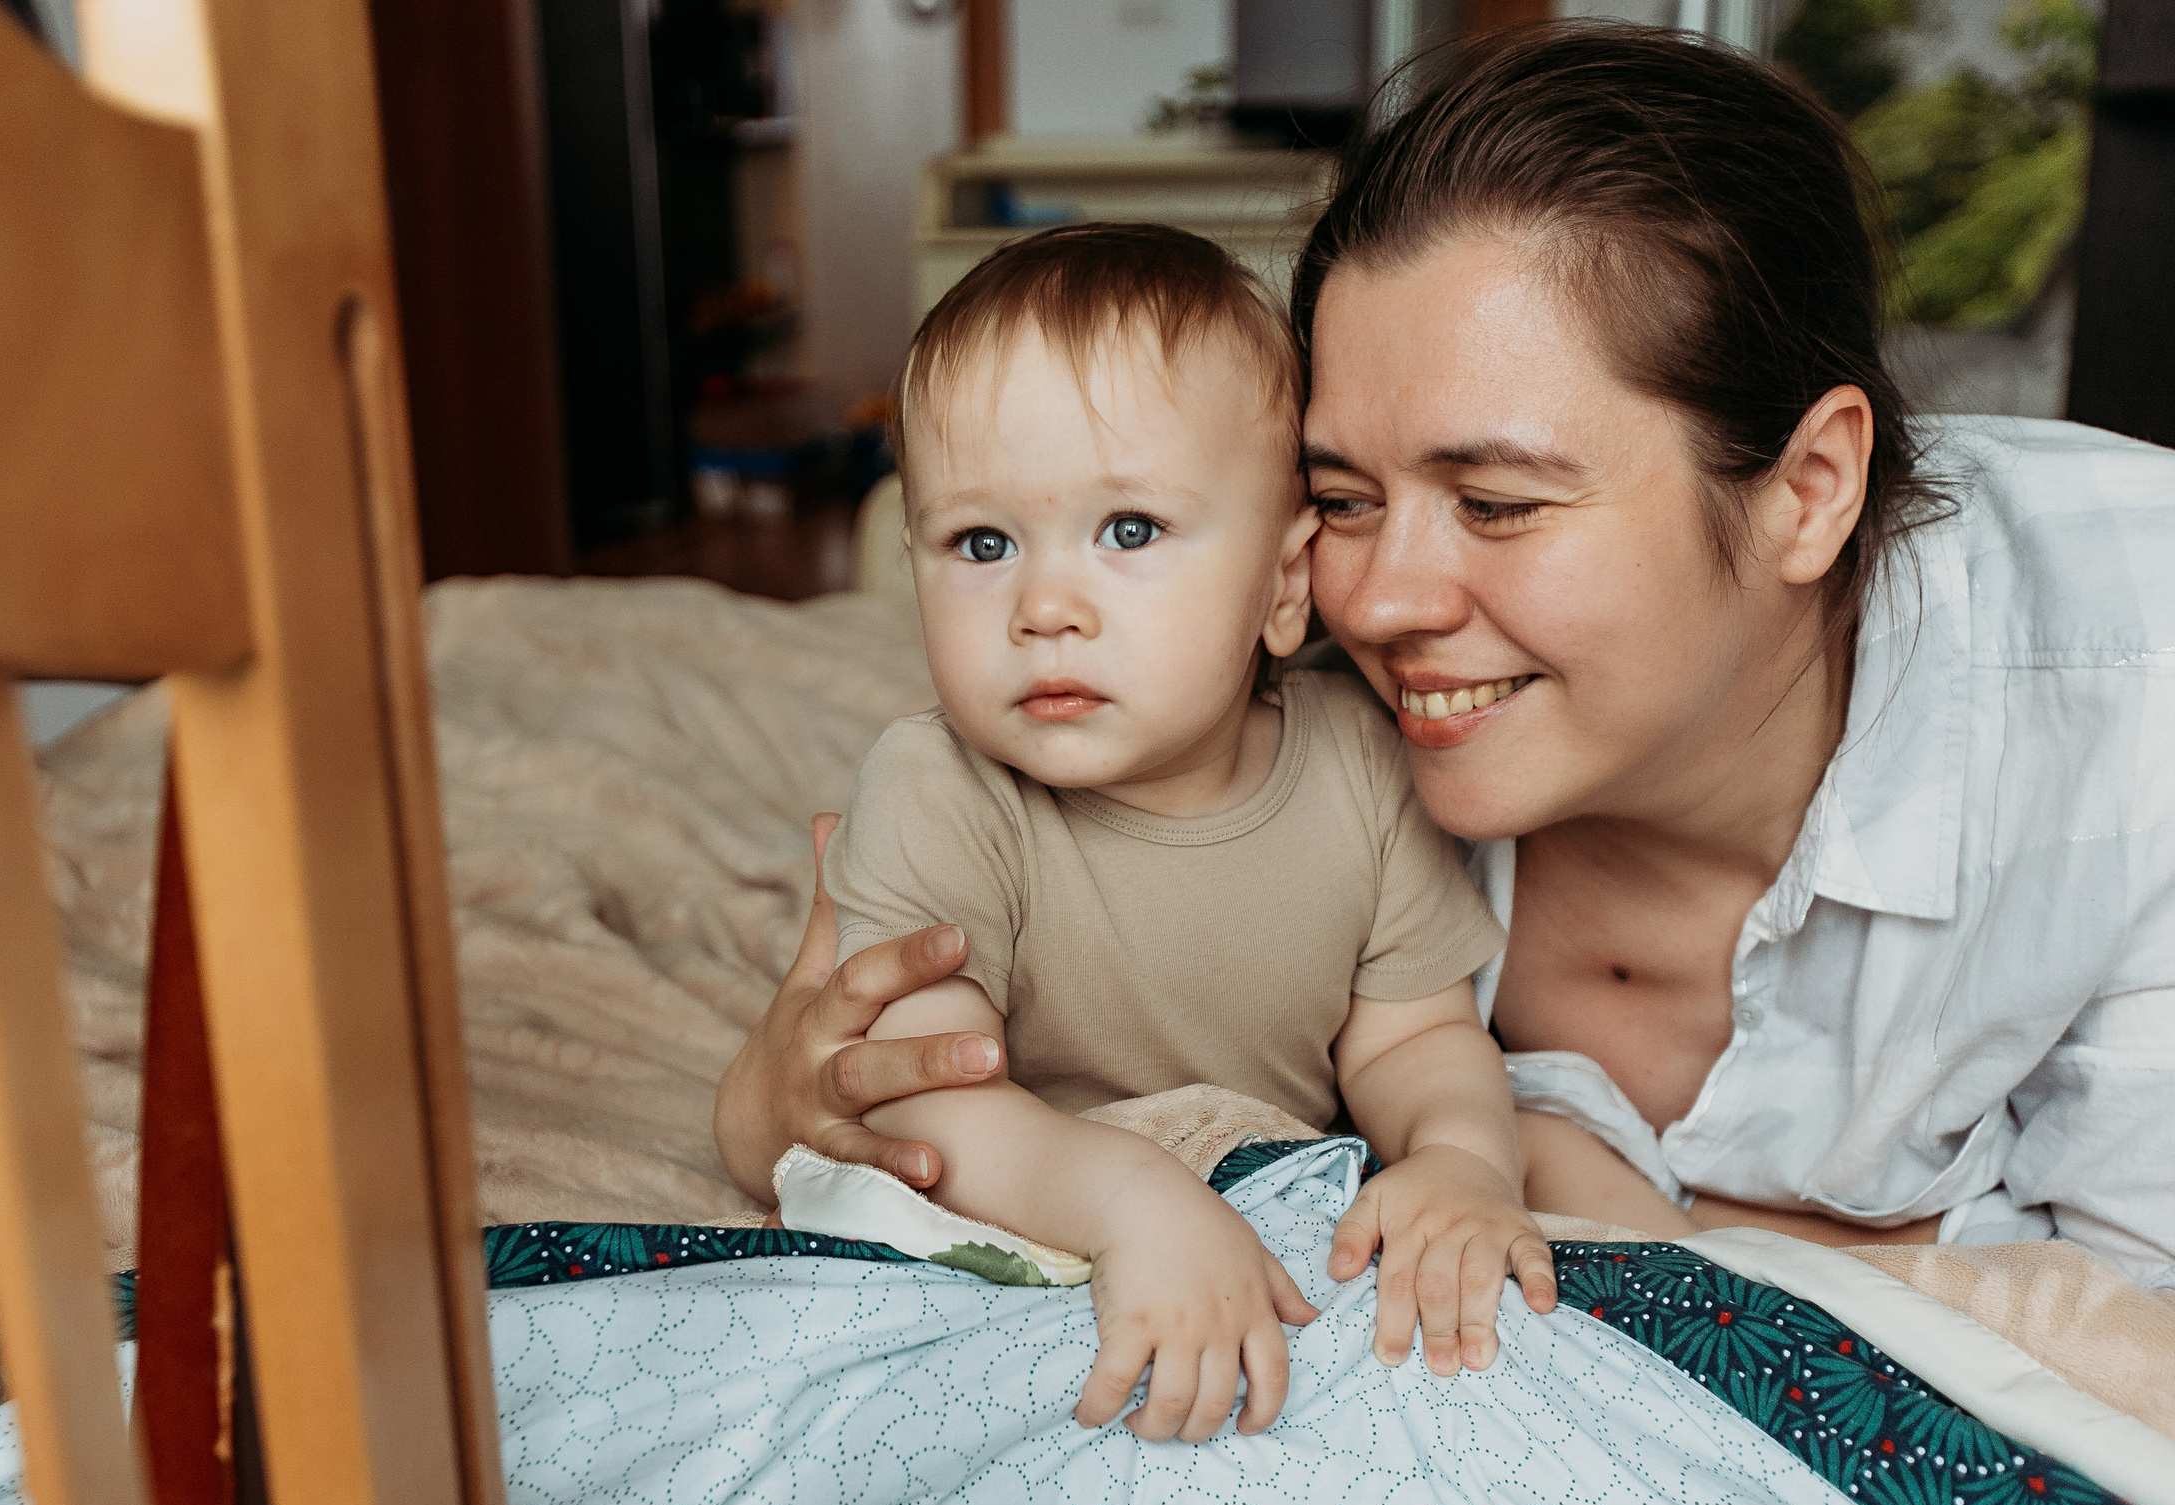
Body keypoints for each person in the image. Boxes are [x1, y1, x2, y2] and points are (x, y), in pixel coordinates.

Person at [718, 21, 2175, 1310]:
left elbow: (2127, 1322)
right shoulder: (1241, 692)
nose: (1378, 598)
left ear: (1806, 490)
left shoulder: (2127, 691)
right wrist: (784, 1096)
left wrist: (1639, 1224)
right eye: (1342, 496)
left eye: (1497, 502)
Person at [813, 224, 1646, 1446]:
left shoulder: (1359, 762)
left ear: (1283, 585)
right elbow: (926, 1103)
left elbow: (1415, 1037)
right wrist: (1129, 1203)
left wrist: (1458, 1158)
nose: (1045, 608)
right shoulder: (938, 788)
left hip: (1278, 1190)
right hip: (1056, 1194)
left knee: (1527, 1245)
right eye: (980, 545)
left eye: (1129, 530)